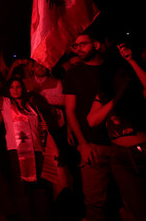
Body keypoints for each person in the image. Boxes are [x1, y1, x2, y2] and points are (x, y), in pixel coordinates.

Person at [63, 32, 122, 221]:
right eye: (75, 46)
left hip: (122, 142)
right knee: (95, 203)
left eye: (82, 44)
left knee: (128, 200)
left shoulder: (114, 68)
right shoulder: (74, 74)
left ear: (96, 45)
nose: (78, 49)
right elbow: (70, 110)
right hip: (93, 144)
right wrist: (83, 144)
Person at [87, 43, 146, 220]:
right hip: (120, 157)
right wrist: (114, 100)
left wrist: (133, 62)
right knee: (136, 208)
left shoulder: (136, 89)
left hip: (142, 151)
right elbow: (92, 120)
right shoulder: (104, 95)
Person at [0, 58, 50, 220]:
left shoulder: (32, 105)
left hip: (37, 151)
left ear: (23, 88)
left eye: (18, 86)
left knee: (40, 190)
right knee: (22, 190)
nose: (15, 89)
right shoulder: (6, 104)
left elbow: (41, 125)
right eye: (12, 87)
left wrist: (44, 128)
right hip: (17, 153)